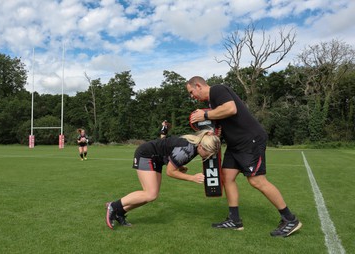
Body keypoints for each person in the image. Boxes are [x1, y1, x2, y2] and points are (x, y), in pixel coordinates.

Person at [186, 76, 302, 237]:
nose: (192, 96)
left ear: (198, 85)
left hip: (250, 140)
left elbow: (231, 108)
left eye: (191, 92)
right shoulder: (211, 104)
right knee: (226, 177)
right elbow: (225, 124)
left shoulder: (217, 90)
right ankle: (234, 220)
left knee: (257, 180)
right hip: (235, 145)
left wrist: (205, 116)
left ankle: (290, 219)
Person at [106, 129, 221, 229]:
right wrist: (192, 178)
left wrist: (179, 166)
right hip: (146, 155)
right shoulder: (187, 150)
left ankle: (119, 213)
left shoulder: (195, 146)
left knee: (152, 195)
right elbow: (170, 172)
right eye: (208, 153)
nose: (209, 157)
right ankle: (114, 206)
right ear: (201, 146)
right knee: (150, 194)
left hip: (156, 159)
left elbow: (170, 152)